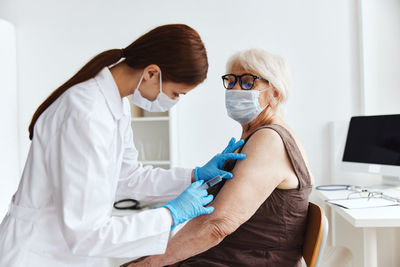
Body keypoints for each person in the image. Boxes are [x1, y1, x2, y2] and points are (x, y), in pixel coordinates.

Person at [0, 24, 246, 267]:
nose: (174, 101)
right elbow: (85, 232)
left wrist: (194, 176)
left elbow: (128, 177)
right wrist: (170, 215)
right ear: (151, 73)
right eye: (176, 94)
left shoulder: (115, 106)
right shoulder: (86, 113)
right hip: (36, 253)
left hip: (64, 252)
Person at [124, 48, 314, 267]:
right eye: (231, 81)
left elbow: (218, 225)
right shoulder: (257, 136)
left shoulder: (269, 139)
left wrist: (150, 264)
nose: (235, 89)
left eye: (247, 82)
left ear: (275, 94)